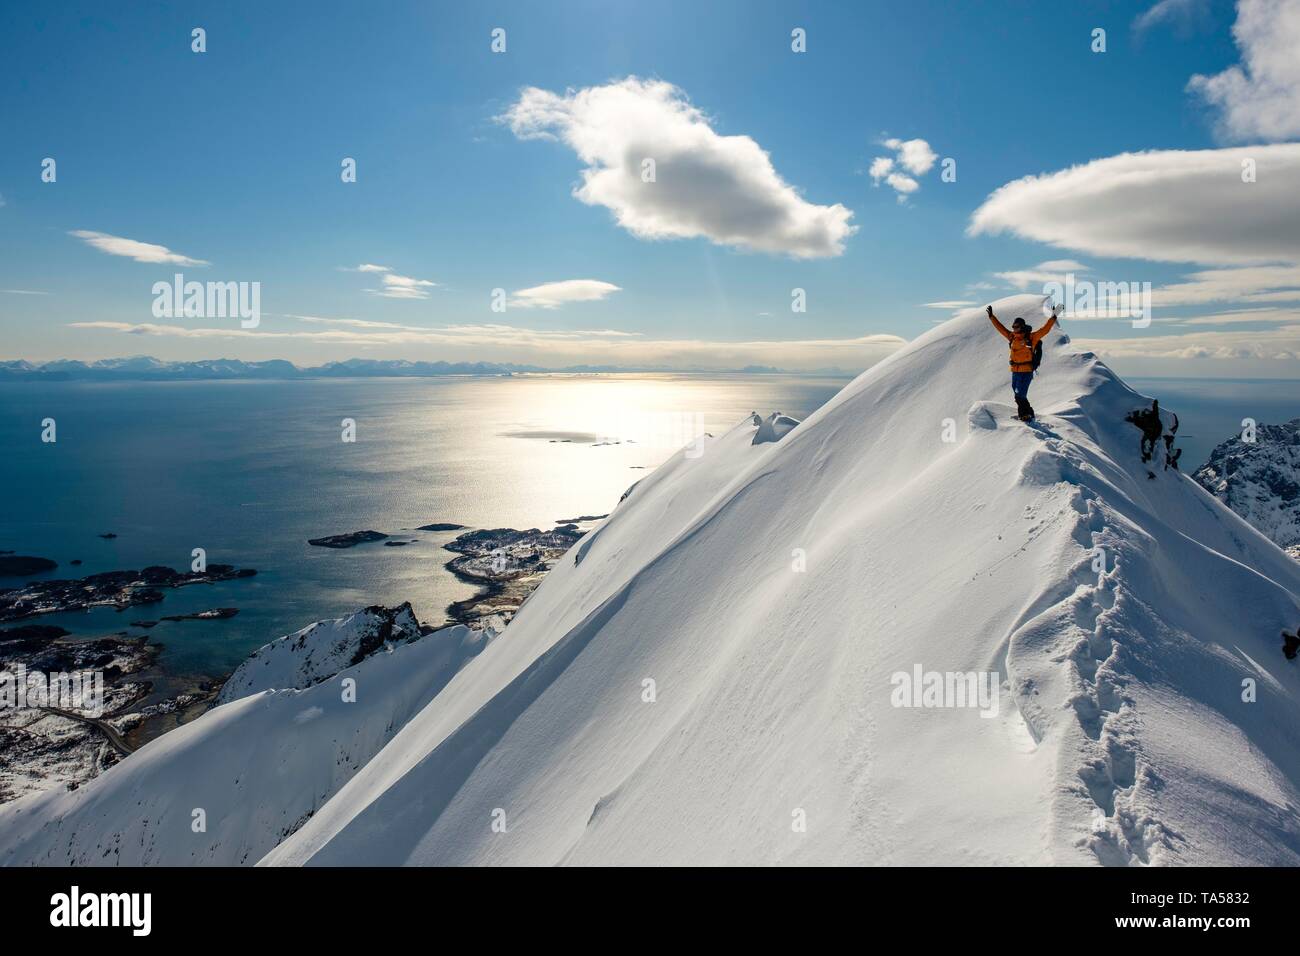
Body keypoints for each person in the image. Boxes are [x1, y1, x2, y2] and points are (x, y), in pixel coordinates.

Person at [987, 305, 1058, 420]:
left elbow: (1045, 330)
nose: (1014, 329)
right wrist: (992, 317)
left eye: (1016, 327)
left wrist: (1053, 317)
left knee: (1020, 395)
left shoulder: (1032, 337)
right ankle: (1029, 412)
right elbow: (1001, 329)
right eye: (1013, 327)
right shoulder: (1012, 337)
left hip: (1026, 371)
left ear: (1022, 327)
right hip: (1015, 371)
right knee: (1017, 395)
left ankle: (1025, 416)